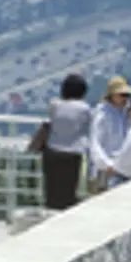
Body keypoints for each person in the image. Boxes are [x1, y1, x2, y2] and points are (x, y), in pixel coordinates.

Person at [38, 72, 93, 210]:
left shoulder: (55, 104)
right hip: (73, 153)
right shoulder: (85, 108)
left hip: (52, 152)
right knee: (69, 193)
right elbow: (87, 131)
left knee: (52, 191)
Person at [87, 75, 131, 189]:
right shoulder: (102, 114)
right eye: (122, 95)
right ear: (112, 95)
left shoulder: (122, 114)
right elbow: (95, 143)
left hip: (120, 167)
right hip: (107, 169)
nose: (126, 99)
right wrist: (107, 164)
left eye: (128, 96)